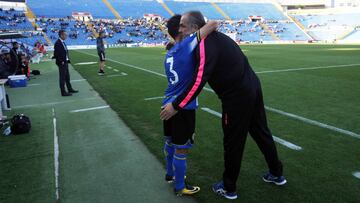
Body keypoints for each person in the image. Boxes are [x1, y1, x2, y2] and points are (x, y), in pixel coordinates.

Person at [160, 11, 286, 200]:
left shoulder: (205, 45)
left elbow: (198, 81)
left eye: (183, 26)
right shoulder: (216, 39)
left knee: (233, 141)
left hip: (236, 97)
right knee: (261, 132)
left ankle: (229, 188)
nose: (180, 29)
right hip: (252, 87)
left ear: (195, 28)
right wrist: (177, 46)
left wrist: (176, 106)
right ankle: (276, 173)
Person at [162, 14, 218, 196]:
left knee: (170, 143)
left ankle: (169, 174)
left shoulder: (169, 53)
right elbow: (213, 24)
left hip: (167, 103)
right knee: (182, 148)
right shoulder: (185, 45)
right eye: (183, 26)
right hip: (182, 107)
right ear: (179, 30)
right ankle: (180, 186)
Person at [53, 30, 78, 96]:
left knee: (67, 77)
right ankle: (63, 92)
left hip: (65, 62)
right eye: (65, 35)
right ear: (61, 35)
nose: (66, 36)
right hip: (62, 63)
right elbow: (56, 54)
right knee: (62, 78)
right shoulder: (58, 43)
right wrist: (62, 62)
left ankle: (70, 89)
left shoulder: (62, 42)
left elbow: (65, 52)